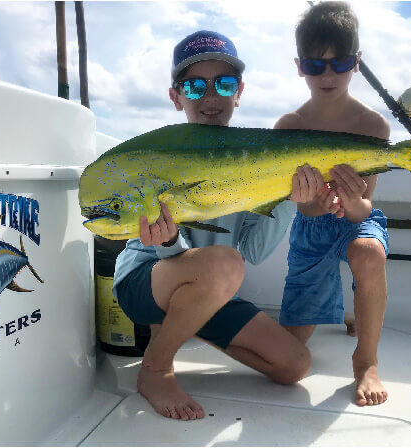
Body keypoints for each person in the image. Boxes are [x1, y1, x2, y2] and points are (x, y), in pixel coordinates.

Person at [112, 30, 316, 421]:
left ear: (239, 92)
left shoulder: (254, 163)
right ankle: (155, 369)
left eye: (223, 84)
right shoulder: (157, 158)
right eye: (194, 85)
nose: (210, 97)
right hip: (145, 279)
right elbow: (177, 251)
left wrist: (291, 200)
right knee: (225, 264)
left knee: (293, 365)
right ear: (176, 97)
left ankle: (188, 321)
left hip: (208, 284)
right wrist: (170, 240)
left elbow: (253, 251)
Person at [276, 1, 390, 407]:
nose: (327, 74)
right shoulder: (288, 128)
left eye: (339, 63)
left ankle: (367, 361)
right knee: (291, 344)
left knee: (368, 250)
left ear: (356, 63)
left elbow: (365, 209)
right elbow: (303, 210)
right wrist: (317, 205)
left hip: (357, 221)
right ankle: (347, 312)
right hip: (311, 226)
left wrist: (353, 204)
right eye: (314, 64)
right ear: (299, 65)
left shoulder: (373, 127)